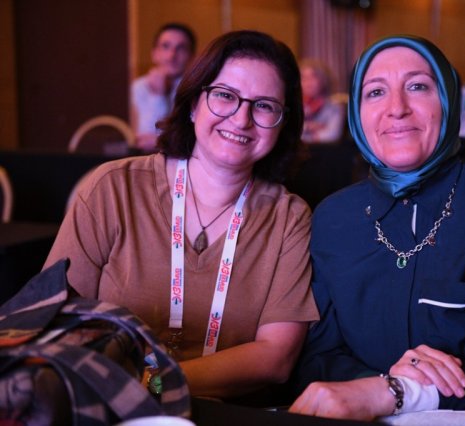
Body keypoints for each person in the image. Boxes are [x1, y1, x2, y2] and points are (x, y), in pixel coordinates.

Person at [289, 35, 465, 421]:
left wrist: (396, 392)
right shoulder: (332, 217)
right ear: (357, 115)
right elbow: (316, 358)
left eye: (417, 87)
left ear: (448, 100)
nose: (396, 109)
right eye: (375, 92)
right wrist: (374, 385)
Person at [45, 30, 318, 401]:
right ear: (193, 104)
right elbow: (55, 318)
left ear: (283, 124)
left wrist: (153, 384)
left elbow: (276, 358)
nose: (241, 119)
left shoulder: (289, 218)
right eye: (225, 95)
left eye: (265, 106)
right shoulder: (112, 188)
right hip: (106, 405)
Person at [131, 23, 196, 152]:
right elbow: (142, 141)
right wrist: (157, 95)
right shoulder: (137, 88)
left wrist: (160, 140)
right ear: (154, 53)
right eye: (165, 46)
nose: (172, 55)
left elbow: (194, 138)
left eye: (181, 48)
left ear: (191, 56)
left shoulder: (195, 89)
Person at [300, 59, 346, 143]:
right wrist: (309, 127)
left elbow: (333, 135)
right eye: (304, 77)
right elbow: (290, 133)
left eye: (313, 77)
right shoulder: (295, 106)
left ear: (323, 80)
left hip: (325, 150)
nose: (308, 82)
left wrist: (307, 135)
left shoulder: (335, 107)